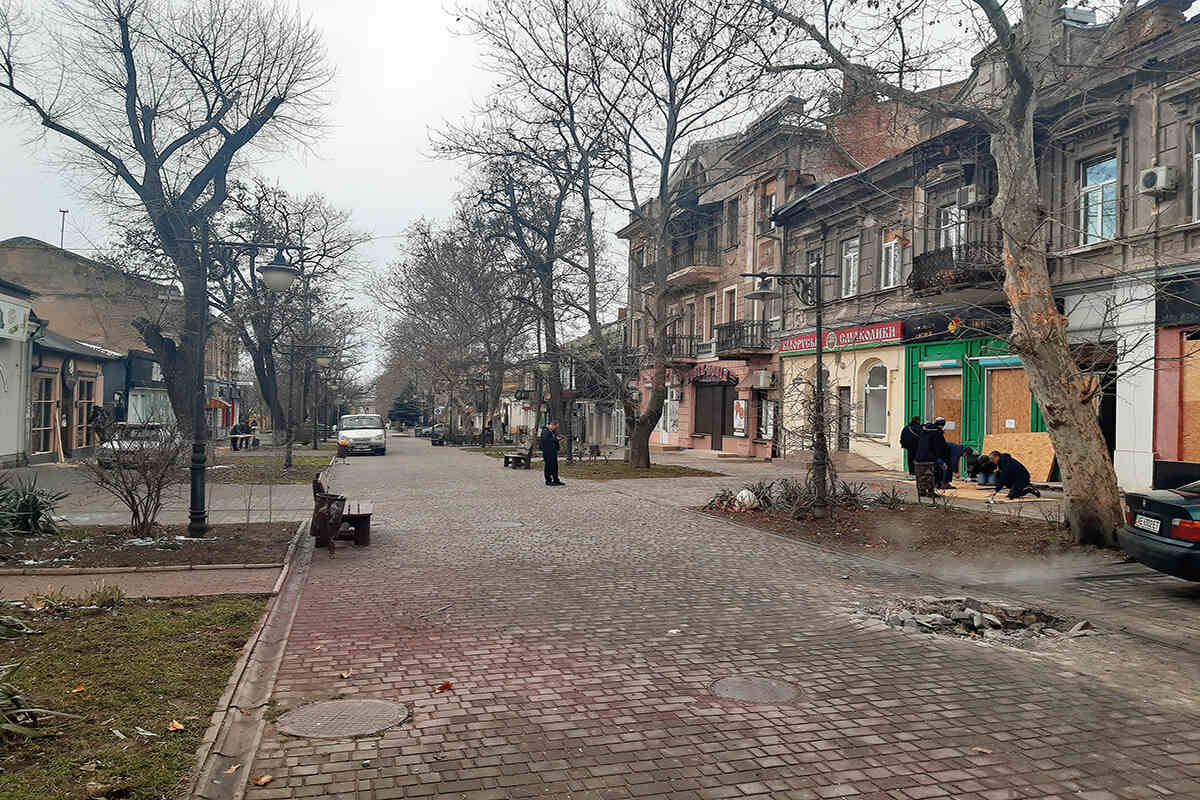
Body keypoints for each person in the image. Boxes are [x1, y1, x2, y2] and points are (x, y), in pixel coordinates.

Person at [916, 417, 952, 488]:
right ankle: (937, 485)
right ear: (942, 425)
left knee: (922, 473)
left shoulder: (924, 431)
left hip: (919, 456)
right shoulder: (937, 433)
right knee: (941, 468)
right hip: (931, 457)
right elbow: (939, 448)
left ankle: (922, 490)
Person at [539, 422, 565, 487]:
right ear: (552, 425)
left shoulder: (551, 431)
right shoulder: (545, 431)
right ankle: (548, 480)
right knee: (548, 466)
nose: (556, 428)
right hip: (547, 451)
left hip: (553, 451)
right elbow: (546, 440)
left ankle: (556, 480)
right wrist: (556, 439)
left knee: (554, 466)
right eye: (555, 427)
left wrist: (557, 438)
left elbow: (552, 439)